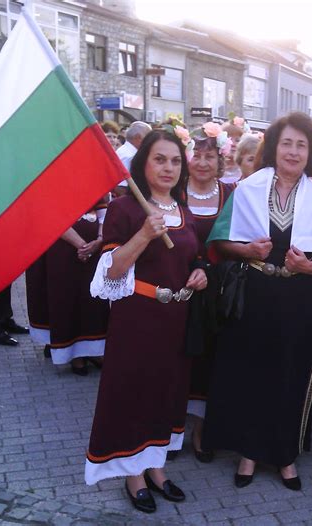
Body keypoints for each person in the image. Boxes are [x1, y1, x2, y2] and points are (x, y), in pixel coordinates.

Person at [202, 112, 312, 491]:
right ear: (275, 147)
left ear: (311, 152)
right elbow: (219, 242)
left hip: (298, 298)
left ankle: (286, 455)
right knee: (250, 372)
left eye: (302, 145)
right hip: (254, 294)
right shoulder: (249, 188)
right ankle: (249, 454)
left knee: (291, 373)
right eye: (287, 143)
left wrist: (311, 266)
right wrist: (246, 248)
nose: (293, 151)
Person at [85, 130, 207, 514]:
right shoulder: (126, 208)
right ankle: (132, 475)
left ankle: (156, 468)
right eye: (160, 159)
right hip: (137, 318)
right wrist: (143, 234)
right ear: (143, 163)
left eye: (174, 161)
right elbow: (112, 270)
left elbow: (194, 256)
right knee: (134, 393)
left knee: (166, 394)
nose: (168, 167)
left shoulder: (182, 208)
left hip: (176, 318)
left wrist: (202, 272)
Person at [185, 122, 235, 462]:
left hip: (216, 290)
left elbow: (236, 239)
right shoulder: (172, 192)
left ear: (221, 160)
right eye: (197, 155)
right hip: (177, 286)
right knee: (177, 358)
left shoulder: (229, 194)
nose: (203, 162)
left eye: (210, 156)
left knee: (209, 360)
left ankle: (202, 430)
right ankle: (171, 429)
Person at [26, 200, 110, 375]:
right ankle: (73, 354)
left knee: (93, 300)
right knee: (67, 297)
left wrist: (100, 239)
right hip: (62, 250)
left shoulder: (93, 176)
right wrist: (82, 245)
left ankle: (93, 350)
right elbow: (50, 216)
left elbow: (103, 206)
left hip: (93, 251)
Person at [114, 121, 153, 197]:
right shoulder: (129, 156)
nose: (151, 141)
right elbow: (120, 187)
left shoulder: (124, 151)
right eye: (149, 138)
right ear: (138, 138)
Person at [219, 118, 245, 184]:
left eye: (237, 140)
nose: (233, 144)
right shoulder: (215, 169)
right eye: (229, 139)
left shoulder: (246, 170)